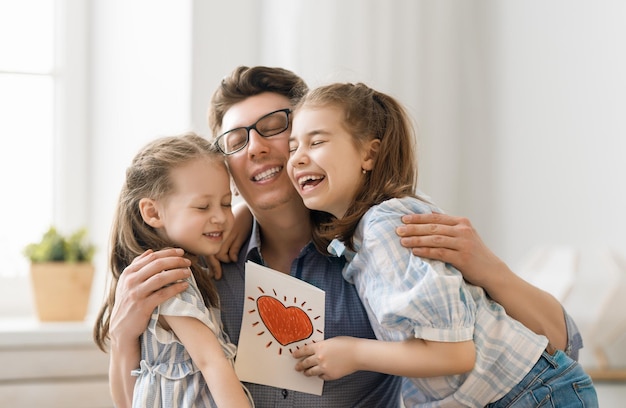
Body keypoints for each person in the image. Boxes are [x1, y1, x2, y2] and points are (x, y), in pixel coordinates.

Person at [106, 66, 583, 407]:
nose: (257, 147)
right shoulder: (204, 265)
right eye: (236, 140)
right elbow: (150, 391)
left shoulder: (383, 239)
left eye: (278, 128)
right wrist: (126, 333)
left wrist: (488, 267)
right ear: (223, 165)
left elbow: (562, 345)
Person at [287, 82, 597, 407]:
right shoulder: (366, 236)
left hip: (530, 395)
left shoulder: (385, 227)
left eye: (316, 141)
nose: (296, 159)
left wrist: (352, 353)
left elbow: (454, 354)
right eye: (292, 148)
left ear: (369, 153)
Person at [93, 133, 253, 407]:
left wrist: (247, 212)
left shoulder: (170, 270)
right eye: (202, 206)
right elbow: (211, 360)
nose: (221, 216)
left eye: (226, 203)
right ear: (153, 213)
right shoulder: (169, 277)